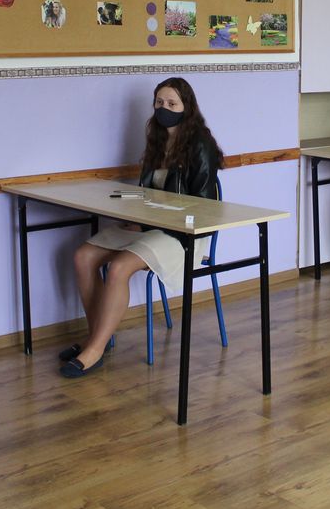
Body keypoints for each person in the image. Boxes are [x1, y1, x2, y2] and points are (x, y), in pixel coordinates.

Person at [60, 77, 222, 377]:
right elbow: (148, 192)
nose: (164, 108)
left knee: (119, 268)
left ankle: (94, 351)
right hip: (151, 226)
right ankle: (97, 339)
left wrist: (151, 223)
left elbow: (203, 207)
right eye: (159, 102)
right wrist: (135, 215)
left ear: (187, 107)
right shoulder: (157, 139)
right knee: (83, 256)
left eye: (172, 103)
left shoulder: (200, 144)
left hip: (183, 235)